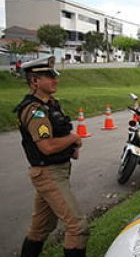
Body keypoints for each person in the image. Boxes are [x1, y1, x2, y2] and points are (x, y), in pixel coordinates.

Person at [14, 56, 88, 257]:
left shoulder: (51, 104)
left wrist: (71, 145)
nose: (55, 79)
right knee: (78, 227)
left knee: (40, 229)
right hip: (49, 174)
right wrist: (73, 139)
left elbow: (58, 133)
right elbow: (46, 146)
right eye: (48, 76)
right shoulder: (35, 110)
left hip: (56, 171)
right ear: (34, 81)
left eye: (54, 75)